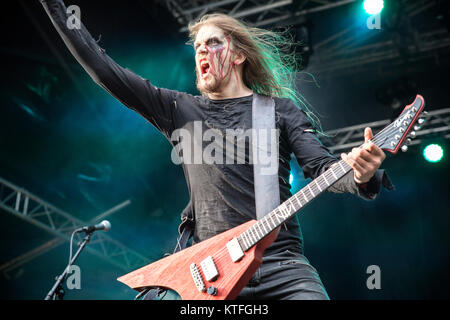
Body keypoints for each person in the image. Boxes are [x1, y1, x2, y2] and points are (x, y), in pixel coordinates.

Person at [39, 0, 392, 300]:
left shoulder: (278, 111)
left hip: (280, 265)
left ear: (238, 55)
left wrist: (360, 175)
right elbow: (104, 69)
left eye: (212, 44)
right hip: (210, 273)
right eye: (197, 48)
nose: (202, 53)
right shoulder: (179, 108)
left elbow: (321, 168)